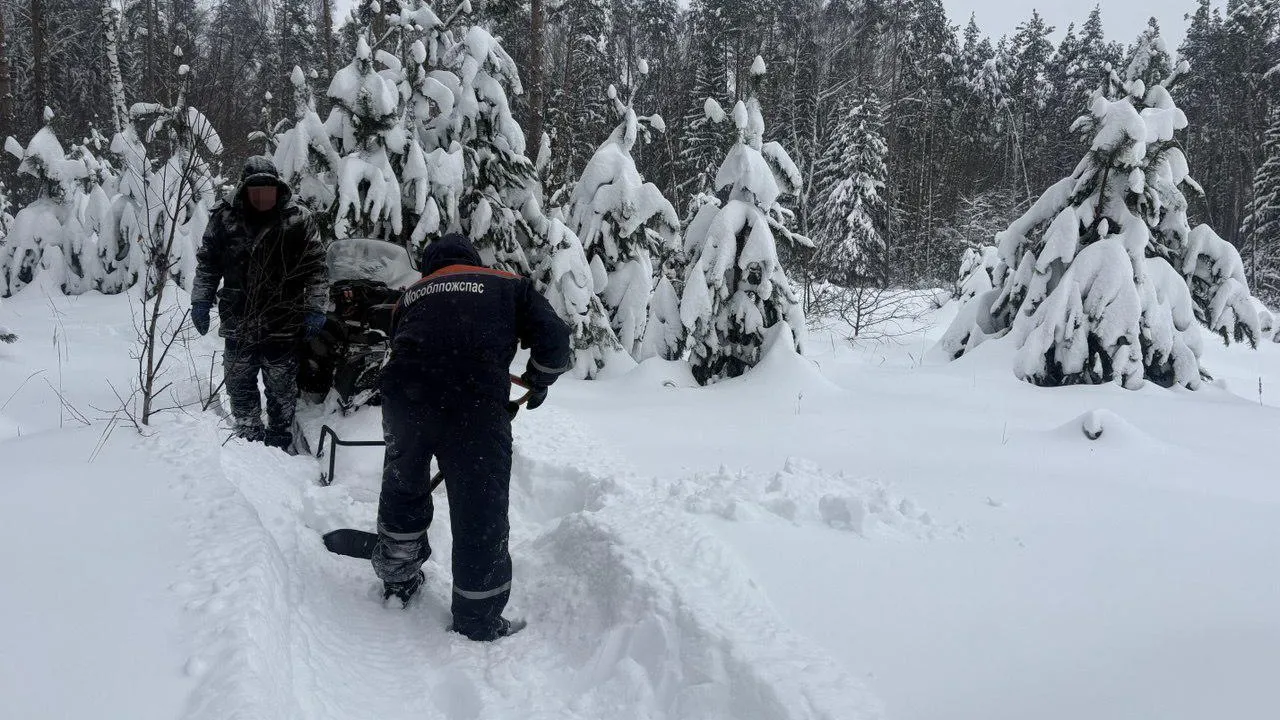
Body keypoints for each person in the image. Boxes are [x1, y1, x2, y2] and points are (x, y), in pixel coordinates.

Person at [374, 232, 571, 641]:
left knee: (403, 487)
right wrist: (539, 378)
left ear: (430, 267)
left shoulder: (410, 295)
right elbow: (555, 339)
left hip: (405, 399)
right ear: (473, 259)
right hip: (474, 404)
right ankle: (477, 618)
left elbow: (403, 345)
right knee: (479, 508)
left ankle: (398, 578)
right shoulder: (507, 284)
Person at [191, 156, 328, 452]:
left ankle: (279, 440)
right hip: (238, 316)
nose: (263, 197)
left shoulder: (298, 220)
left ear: (278, 189)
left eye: (268, 190)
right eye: (256, 191)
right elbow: (208, 264)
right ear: (245, 191)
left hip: (283, 318)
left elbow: (317, 267)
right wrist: (201, 300)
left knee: (281, 387)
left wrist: (316, 308)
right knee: (239, 382)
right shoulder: (224, 219)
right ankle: (248, 437)